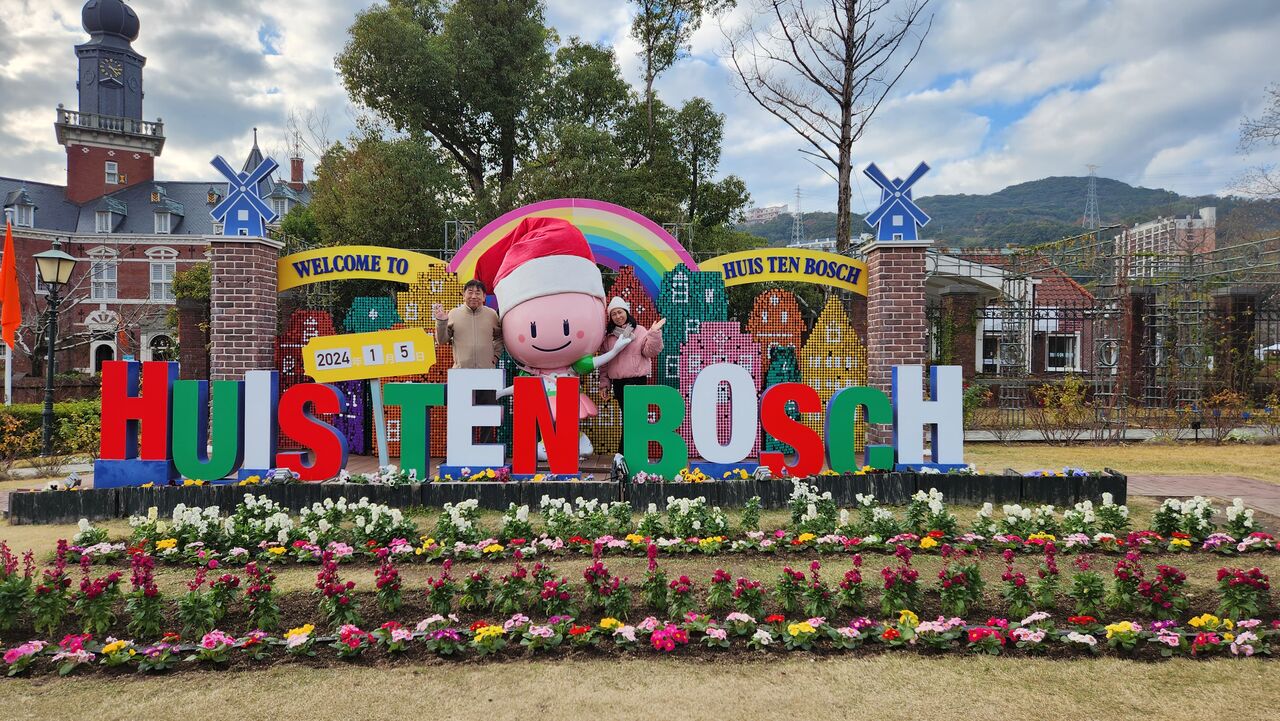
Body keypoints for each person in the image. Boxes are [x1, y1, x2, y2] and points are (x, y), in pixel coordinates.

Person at [433, 279, 503, 443]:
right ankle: (463, 447)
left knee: (487, 414)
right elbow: (442, 340)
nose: (474, 296)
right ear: (463, 295)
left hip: (487, 374)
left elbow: (499, 337)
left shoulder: (491, 315)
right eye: (470, 292)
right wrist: (441, 322)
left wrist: (495, 356)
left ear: (484, 297)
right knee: (462, 415)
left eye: (478, 293)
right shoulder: (454, 314)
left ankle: (486, 448)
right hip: (461, 375)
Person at [598, 297, 665, 450]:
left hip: (638, 381)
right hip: (620, 383)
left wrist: (654, 334)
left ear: (626, 312)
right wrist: (604, 384)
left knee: (637, 418)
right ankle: (626, 453)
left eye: (620, 312)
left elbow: (650, 352)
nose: (618, 316)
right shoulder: (608, 337)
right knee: (629, 417)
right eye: (614, 314)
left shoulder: (640, 331)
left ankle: (626, 452)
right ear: (610, 317)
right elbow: (604, 364)